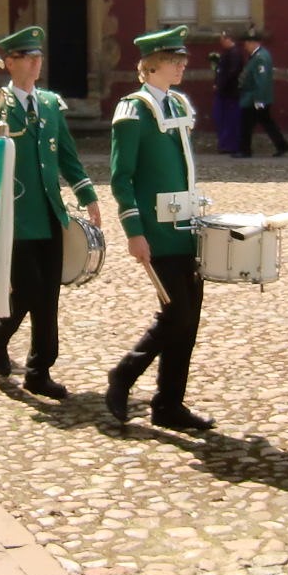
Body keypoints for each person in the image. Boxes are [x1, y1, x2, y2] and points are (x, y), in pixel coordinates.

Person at [0, 26, 103, 398]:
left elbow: (67, 154)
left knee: (49, 294)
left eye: (38, 57)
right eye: (27, 57)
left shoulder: (50, 104)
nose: (36, 63)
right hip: (15, 216)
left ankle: (39, 370)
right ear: (10, 62)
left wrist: (88, 195)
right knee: (29, 288)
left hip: (50, 212)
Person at [106, 27, 213, 431]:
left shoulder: (178, 103)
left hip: (187, 226)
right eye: (173, 60)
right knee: (176, 314)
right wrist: (134, 230)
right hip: (156, 229)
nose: (181, 66)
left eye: (182, 59)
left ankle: (169, 404)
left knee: (189, 319)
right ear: (151, 66)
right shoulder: (133, 110)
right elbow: (122, 177)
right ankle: (124, 374)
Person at [237, 27, 288, 157]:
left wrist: (259, 99)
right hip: (253, 96)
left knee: (248, 124)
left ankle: (245, 150)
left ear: (254, 43)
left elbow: (262, 80)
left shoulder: (261, 57)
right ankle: (282, 145)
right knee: (266, 122)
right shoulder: (257, 56)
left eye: (247, 43)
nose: (245, 46)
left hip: (254, 97)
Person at [211, 31, 245, 155]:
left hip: (230, 93)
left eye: (222, 39)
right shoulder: (228, 53)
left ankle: (230, 145)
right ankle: (225, 144)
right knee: (222, 119)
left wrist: (220, 84)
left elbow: (232, 73)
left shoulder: (234, 54)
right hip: (225, 92)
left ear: (229, 39)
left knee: (230, 120)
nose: (221, 42)